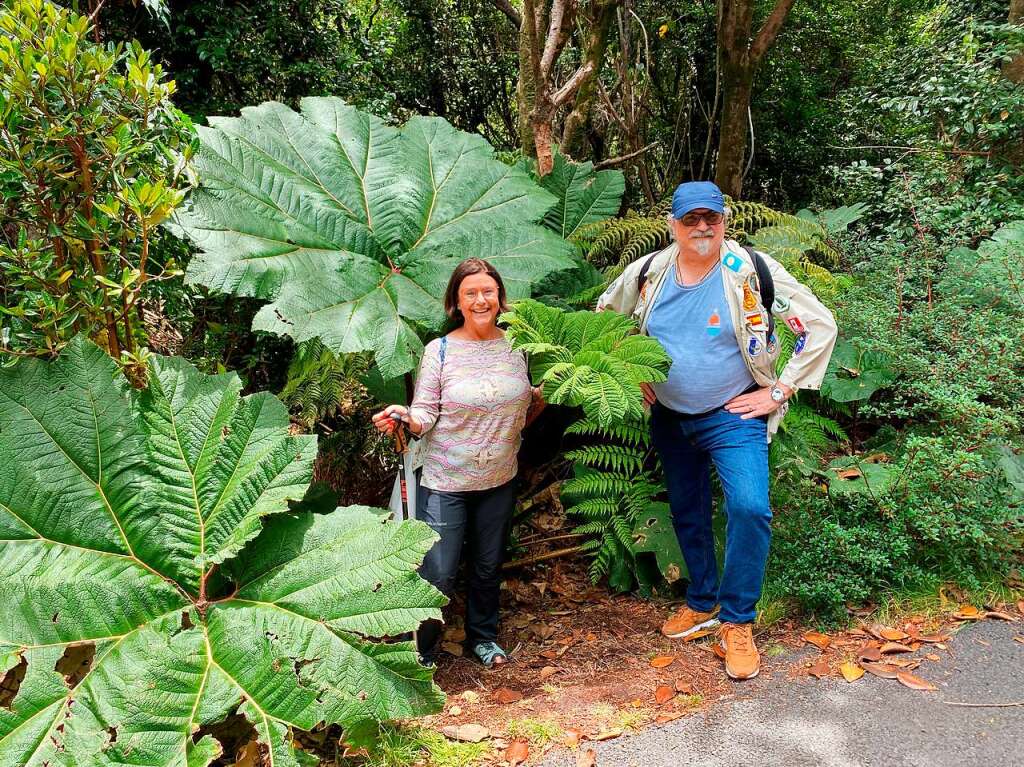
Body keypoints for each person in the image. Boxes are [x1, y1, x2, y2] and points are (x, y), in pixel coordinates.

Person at [597, 181, 837, 680]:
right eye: (691, 220)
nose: (701, 228)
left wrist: (779, 390)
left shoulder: (749, 271)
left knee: (749, 508)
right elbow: (604, 318)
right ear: (674, 226)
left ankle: (737, 620)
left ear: (725, 221)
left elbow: (819, 324)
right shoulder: (649, 272)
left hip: (734, 416)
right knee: (687, 511)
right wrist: (630, 370)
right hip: (669, 415)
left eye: (711, 218)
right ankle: (702, 600)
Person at [372, 258, 542, 668]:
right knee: (439, 572)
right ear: (457, 302)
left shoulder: (520, 345)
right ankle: (424, 651)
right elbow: (425, 412)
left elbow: (529, 403)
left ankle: (483, 638)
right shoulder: (441, 350)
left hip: (500, 478)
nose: (481, 300)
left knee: (488, 566)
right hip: (445, 481)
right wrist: (404, 416)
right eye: (471, 293)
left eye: (488, 291)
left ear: (500, 298)